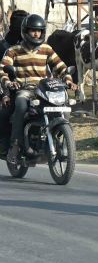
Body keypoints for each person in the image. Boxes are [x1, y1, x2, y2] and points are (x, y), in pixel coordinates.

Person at [1, 14, 74, 164]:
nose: (36, 34)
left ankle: (60, 138)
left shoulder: (46, 49)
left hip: (45, 89)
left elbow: (60, 66)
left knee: (63, 105)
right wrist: (8, 83)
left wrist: (68, 80)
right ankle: (15, 145)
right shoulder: (14, 50)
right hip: (24, 89)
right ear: (25, 32)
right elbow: (2, 69)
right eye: (33, 30)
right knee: (20, 104)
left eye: (39, 31)